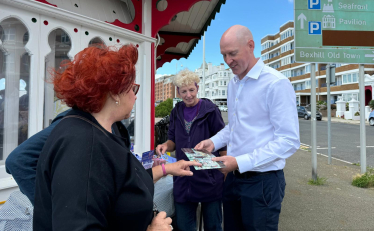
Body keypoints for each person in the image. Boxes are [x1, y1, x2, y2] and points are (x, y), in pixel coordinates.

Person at [33, 44, 200, 231]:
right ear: (114, 92)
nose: (135, 97)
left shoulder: (97, 129)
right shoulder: (83, 144)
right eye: (133, 89)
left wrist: (167, 168)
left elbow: (122, 180)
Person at [195, 25, 300, 231]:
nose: (227, 61)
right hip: (233, 180)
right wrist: (213, 142)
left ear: (251, 46)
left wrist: (239, 162)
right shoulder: (233, 83)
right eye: (224, 55)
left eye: (232, 53)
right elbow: (234, 127)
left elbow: (289, 141)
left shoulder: (276, 83)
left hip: (263, 182)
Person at [156, 69, 226, 231]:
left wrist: (225, 170)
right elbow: (172, 139)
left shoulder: (210, 110)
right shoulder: (176, 112)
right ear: (178, 91)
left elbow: (223, 140)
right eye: (184, 91)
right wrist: (166, 146)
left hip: (209, 178)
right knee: (184, 226)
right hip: (184, 177)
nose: (188, 95)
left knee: (213, 226)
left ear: (197, 88)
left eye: (191, 90)